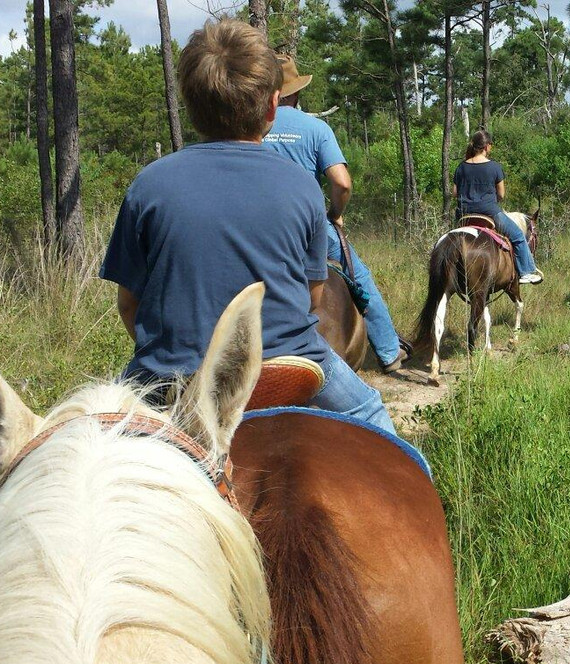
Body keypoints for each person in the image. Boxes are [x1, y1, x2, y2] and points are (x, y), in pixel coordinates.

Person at [100, 19, 396, 435]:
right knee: (372, 417)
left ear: (190, 104)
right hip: (285, 365)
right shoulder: (302, 188)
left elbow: (128, 305)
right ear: (273, 106)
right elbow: (312, 299)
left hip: (170, 376)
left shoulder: (148, 185)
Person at [263, 56, 409, 373]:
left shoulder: (252, 129)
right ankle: (388, 352)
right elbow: (342, 182)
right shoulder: (316, 128)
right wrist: (334, 213)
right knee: (360, 280)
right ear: (296, 93)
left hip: (259, 229)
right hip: (310, 226)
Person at [452, 130, 543, 285]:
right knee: (518, 237)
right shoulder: (494, 167)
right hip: (489, 213)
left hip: (463, 215)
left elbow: (454, 193)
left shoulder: (461, 167)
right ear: (487, 146)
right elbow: (501, 194)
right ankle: (526, 272)